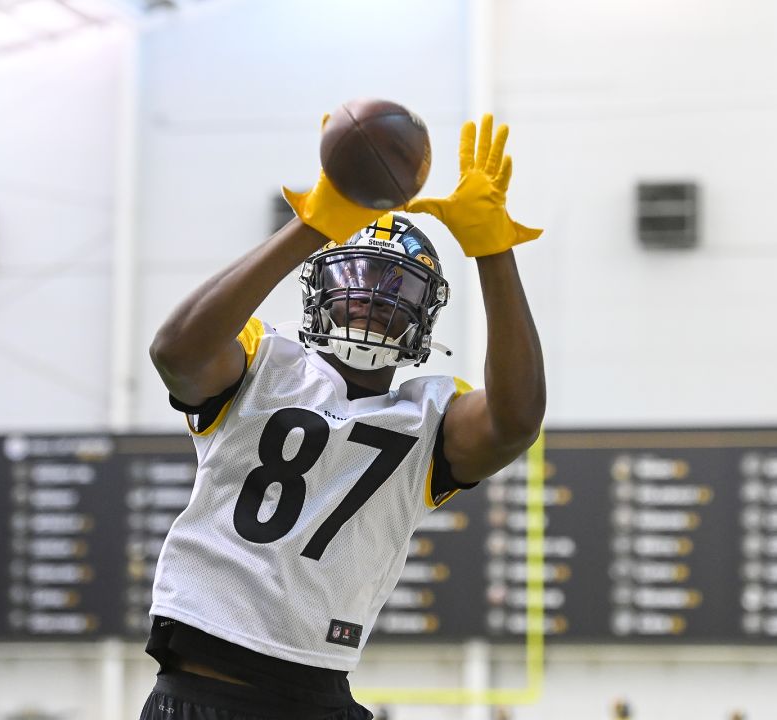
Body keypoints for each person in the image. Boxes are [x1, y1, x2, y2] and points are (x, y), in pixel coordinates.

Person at [140, 112, 546, 720]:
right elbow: (175, 351)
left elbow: (516, 421)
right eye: (356, 279)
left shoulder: (429, 415)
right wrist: (313, 224)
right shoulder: (261, 357)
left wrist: (494, 253)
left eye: (397, 291)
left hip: (323, 690)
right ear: (319, 288)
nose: (375, 300)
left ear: (423, 317)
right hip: (206, 684)